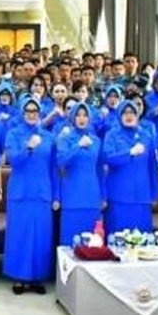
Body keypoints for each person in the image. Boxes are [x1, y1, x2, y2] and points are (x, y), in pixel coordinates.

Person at [2, 97, 55, 295]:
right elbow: (13, 160)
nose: (32, 114)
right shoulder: (13, 134)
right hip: (20, 192)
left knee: (40, 236)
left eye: (35, 111)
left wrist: (55, 194)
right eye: (28, 111)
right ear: (23, 113)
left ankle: (36, 277)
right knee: (19, 235)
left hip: (42, 193)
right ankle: (18, 277)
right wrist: (28, 148)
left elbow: (53, 169)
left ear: (40, 113)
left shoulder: (49, 137)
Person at [101, 100, 158, 234]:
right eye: (125, 113)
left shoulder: (147, 136)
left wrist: (154, 193)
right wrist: (130, 153)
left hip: (142, 196)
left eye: (132, 112)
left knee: (142, 238)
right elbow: (108, 158)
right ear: (119, 115)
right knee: (118, 238)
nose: (129, 116)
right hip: (118, 196)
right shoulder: (112, 135)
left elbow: (153, 167)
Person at [54, 103, 105, 246]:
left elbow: (100, 169)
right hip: (71, 196)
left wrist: (103, 196)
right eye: (78, 115)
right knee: (70, 241)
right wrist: (78, 146)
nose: (81, 118)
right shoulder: (65, 139)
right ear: (72, 118)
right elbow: (60, 161)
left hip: (92, 196)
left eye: (85, 115)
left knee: (93, 241)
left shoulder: (96, 141)